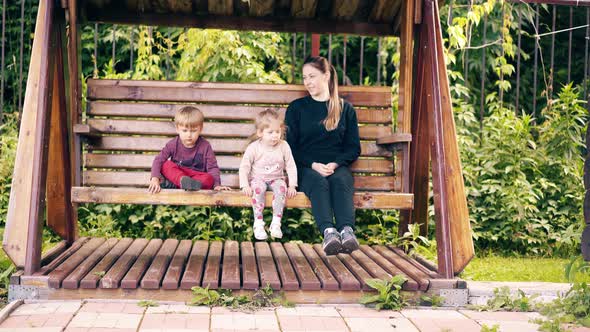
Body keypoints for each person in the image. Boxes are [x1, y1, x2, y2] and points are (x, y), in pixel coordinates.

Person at [285, 56, 361, 255]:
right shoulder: (297, 108)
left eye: (312, 76)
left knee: (341, 180)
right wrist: (313, 164)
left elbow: (353, 148)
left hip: (335, 166)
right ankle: (329, 233)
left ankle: (346, 231)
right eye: (304, 77)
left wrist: (336, 164)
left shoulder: (345, 109)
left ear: (326, 75)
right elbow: (290, 147)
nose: (307, 82)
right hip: (306, 167)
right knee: (318, 183)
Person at [239, 109, 298, 240]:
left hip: (276, 179)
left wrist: (292, 185)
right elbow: (244, 167)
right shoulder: (254, 148)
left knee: (281, 189)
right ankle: (258, 223)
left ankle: (276, 223)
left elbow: (290, 166)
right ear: (260, 133)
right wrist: (244, 185)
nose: (275, 135)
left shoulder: (284, 146)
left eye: (277, 132)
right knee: (258, 190)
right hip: (258, 179)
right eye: (270, 132)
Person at [148, 106, 231, 193]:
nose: (189, 135)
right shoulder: (173, 144)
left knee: (209, 178)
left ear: (200, 129)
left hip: (196, 177)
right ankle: (181, 183)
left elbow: (212, 167)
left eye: (193, 131)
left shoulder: (205, 146)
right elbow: (158, 160)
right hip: (178, 175)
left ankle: (185, 185)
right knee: (166, 164)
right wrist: (155, 178)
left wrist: (217, 185)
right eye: (185, 131)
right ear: (177, 129)